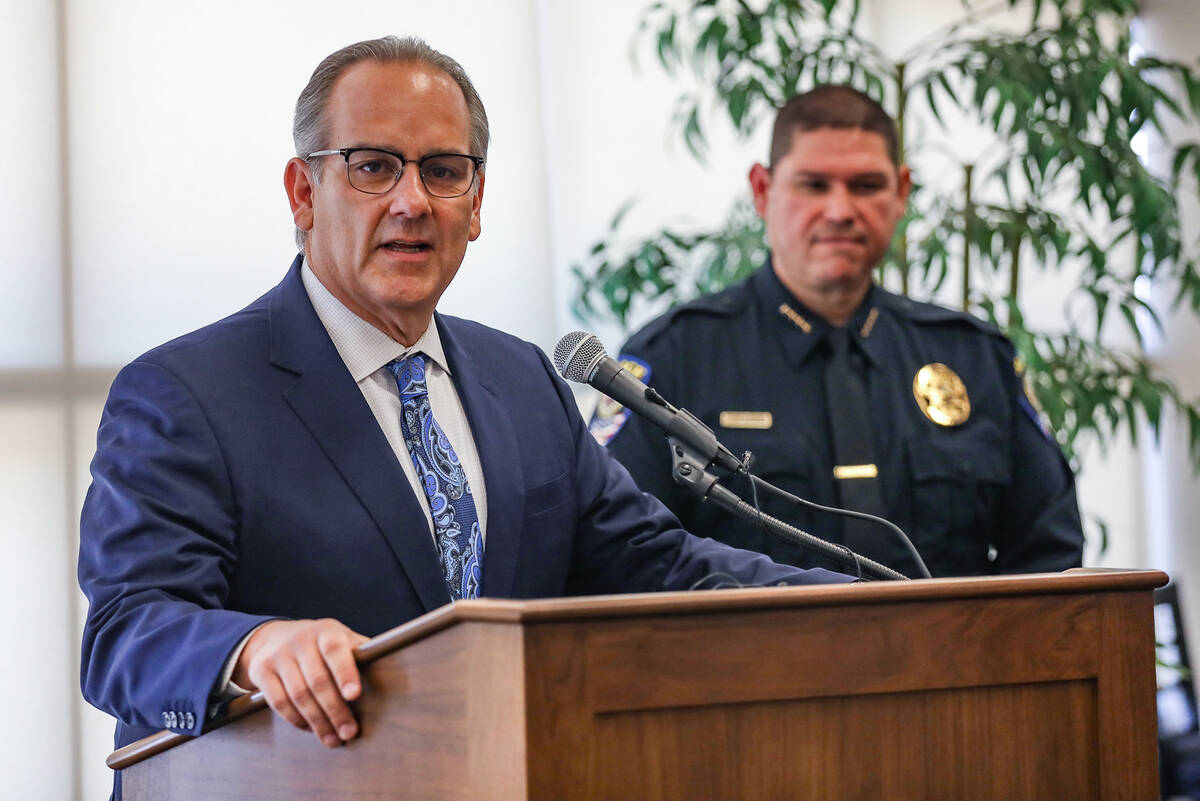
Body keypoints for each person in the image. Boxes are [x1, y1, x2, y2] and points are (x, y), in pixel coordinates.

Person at [77, 36, 853, 795]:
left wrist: (861, 608)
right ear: (303, 194)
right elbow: (125, 634)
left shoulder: (522, 380)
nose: (412, 202)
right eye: (373, 167)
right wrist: (253, 646)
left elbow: (665, 570)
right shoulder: (187, 390)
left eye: (444, 172)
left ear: (474, 203)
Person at [596, 85, 1084, 579]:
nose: (840, 211)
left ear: (901, 192)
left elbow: (1049, 554)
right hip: (751, 654)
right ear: (763, 191)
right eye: (814, 185)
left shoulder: (975, 358)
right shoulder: (677, 359)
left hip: (951, 652)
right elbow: (626, 554)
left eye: (866, 186)